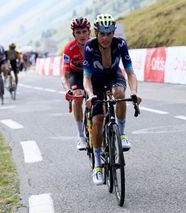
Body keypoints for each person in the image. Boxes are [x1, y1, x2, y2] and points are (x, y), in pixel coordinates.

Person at [83, 14, 141, 185]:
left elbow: (130, 72)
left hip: (114, 76)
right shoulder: (89, 47)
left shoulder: (120, 44)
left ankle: (121, 134)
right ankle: (98, 166)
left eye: (109, 34)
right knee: (98, 119)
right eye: (102, 34)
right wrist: (90, 94)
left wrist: (135, 92)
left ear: (113, 33)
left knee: (120, 95)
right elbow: (86, 77)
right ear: (96, 33)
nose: (106, 38)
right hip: (96, 81)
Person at [62, 17, 91, 150]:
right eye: (78, 32)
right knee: (78, 97)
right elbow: (66, 74)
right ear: (74, 34)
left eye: (84, 31)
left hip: (92, 73)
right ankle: (80, 136)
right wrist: (68, 90)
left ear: (89, 32)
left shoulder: (95, 45)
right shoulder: (69, 48)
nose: (81, 35)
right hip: (76, 74)